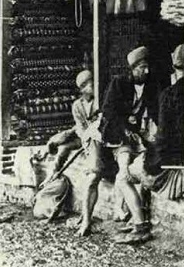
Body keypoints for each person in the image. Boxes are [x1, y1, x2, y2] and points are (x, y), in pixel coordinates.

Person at [79, 46, 157, 243]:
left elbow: (154, 112)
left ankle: (136, 221)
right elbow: (108, 112)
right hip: (105, 133)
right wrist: (125, 125)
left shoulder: (149, 86)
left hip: (126, 137)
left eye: (147, 67)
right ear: (133, 68)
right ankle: (86, 221)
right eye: (142, 68)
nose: (146, 71)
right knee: (95, 175)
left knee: (126, 172)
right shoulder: (119, 83)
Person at [43, 69, 98, 185]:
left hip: (97, 137)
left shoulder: (99, 101)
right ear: (82, 88)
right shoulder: (77, 105)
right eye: (90, 84)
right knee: (63, 147)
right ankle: (52, 174)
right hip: (84, 137)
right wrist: (86, 140)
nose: (93, 87)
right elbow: (80, 127)